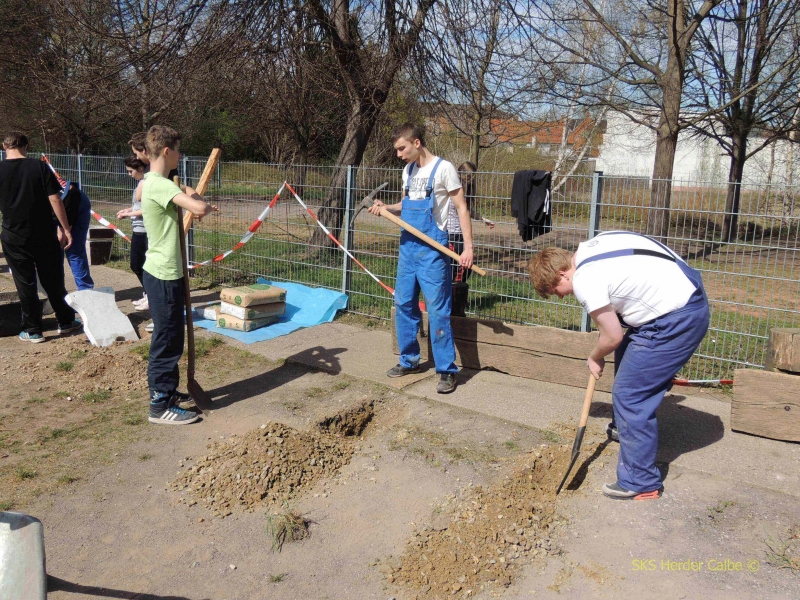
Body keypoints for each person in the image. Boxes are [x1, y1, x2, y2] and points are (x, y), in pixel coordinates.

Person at [527, 231, 710, 500]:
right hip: (683, 295)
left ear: (562, 274)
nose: (561, 297)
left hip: (677, 319)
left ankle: (641, 481)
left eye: (556, 292)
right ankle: (627, 429)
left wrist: (594, 356)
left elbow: (612, 336)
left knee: (629, 394)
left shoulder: (585, 280)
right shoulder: (592, 245)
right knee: (626, 357)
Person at [369, 123, 474, 394]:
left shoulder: (444, 169)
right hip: (408, 249)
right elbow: (406, 205)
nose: (399, 155)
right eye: (397, 150)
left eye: (401, 148)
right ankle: (409, 360)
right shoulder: (408, 170)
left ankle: (447, 370)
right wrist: (386, 207)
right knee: (404, 304)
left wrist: (468, 248)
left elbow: (462, 208)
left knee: (438, 311)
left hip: (433, 252)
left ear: (416, 143)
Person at [140, 125, 218, 425]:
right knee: (167, 339)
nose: (180, 155)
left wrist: (189, 193)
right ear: (166, 151)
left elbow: (186, 195)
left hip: (163, 271)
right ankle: (160, 405)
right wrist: (202, 205)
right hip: (163, 274)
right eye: (178, 150)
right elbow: (197, 207)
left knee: (172, 337)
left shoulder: (156, 182)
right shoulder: (161, 186)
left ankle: (168, 392)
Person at [0, 132, 82, 342]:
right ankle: (66, 321)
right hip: (43, 233)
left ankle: (33, 329)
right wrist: (65, 228)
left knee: (25, 282)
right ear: (27, 146)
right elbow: (55, 199)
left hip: (13, 234)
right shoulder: (39, 166)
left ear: (4, 146)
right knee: (53, 279)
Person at [448, 161, 494, 316]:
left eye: (472, 177)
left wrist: (482, 218)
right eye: (468, 176)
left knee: (464, 270)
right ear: (460, 174)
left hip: (461, 235)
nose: (470, 180)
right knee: (457, 270)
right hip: (451, 234)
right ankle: (453, 304)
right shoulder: (452, 188)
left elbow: (466, 210)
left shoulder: (465, 189)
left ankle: (456, 301)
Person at [116, 155, 148, 309]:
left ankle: (151, 296)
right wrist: (127, 210)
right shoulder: (140, 184)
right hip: (138, 230)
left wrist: (128, 215)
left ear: (140, 169)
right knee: (138, 265)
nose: (129, 174)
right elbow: (137, 207)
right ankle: (148, 294)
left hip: (144, 231)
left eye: (130, 171)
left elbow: (147, 209)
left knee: (138, 265)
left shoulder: (145, 183)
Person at [61, 180, 95, 290]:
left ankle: (85, 290)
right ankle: (85, 290)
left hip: (66, 202)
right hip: (74, 196)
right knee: (73, 250)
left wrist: (64, 229)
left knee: (71, 249)